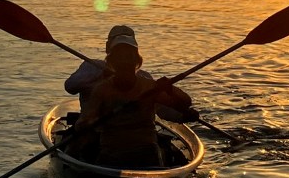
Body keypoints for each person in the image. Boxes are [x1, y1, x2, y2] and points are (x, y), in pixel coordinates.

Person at [68, 29, 195, 168]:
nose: (124, 61)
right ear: (112, 61)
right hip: (112, 154)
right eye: (119, 57)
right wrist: (89, 124)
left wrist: (170, 88)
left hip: (147, 153)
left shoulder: (148, 86)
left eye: (128, 57)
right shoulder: (101, 89)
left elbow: (185, 102)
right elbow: (83, 122)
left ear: (137, 61)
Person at [64, 24, 194, 123]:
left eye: (128, 53)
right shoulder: (92, 67)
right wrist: (101, 75)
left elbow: (164, 111)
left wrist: (183, 115)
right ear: (108, 48)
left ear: (136, 57)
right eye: (120, 53)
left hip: (142, 142)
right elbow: (70, 87)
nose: (124, 59)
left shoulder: (145, 79)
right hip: (94, 134)